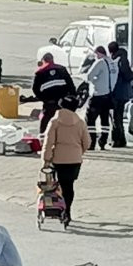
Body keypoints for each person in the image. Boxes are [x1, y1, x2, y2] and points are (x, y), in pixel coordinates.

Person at [42, 95, 90, 226]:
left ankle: (61, 210)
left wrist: (46, 159)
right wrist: (79, 152)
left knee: (60, 185)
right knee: (69, 186)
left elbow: (48, 142)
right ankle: (67, 211)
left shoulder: (55, 121)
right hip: (75, 160)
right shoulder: (80, 122)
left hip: (59, 159)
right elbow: (87, 142)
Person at [30, 53, 76, 135]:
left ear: (43, 61)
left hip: (49, 101)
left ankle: (43, 137)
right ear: (53, 59)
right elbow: (70, 84)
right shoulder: (62, 69)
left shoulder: (40, 73)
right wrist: (72, 96)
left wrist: (43, 99)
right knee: (63, 120)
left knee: (46, 121)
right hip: (62, 101)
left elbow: (35, 89)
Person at [85, 45, 116, 150]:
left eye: (95, 54)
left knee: (90, 120)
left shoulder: (100, 62)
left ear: (98, 53)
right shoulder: (112, 63)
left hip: (97, 95)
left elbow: (89, 76)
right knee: (105, 120)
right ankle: (103, 141)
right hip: (108, 95)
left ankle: (91, 142)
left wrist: (95, 81)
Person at [107, 41, 133, 148]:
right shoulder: (122, 58)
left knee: (116, 117)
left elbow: (127, 75)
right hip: (122, 92)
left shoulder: (118, 60)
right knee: (118, 117)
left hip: (118, 92)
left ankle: (118, 140)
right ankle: (121, 139)